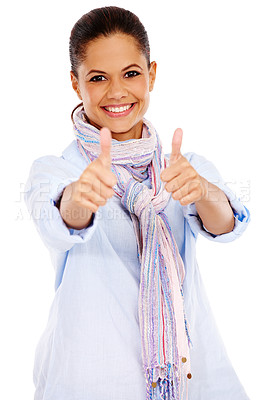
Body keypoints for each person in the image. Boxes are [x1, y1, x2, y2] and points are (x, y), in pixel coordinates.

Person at [24, 6, 250, 400]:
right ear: (76, 84)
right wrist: (83, 197)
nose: (116, 92)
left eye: (131, 73)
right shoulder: (57, 170)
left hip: (192, 377)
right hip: (91, 379)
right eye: (97, 78)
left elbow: (226, 224)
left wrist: (201, 191)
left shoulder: (182, 167)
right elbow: (60, 216)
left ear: (152, 75)